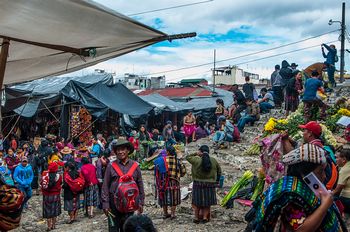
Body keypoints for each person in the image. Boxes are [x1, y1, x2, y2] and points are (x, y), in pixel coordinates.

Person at [253, 143, 346, 231]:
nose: (324, 176)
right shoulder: (291, 196)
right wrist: (325, 206)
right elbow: (301, 229)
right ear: (305, 173)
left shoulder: (302, 186)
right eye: (320, 171)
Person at [102, 140, 145, 232]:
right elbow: (105, 185)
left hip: (130, 203)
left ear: (128, 150)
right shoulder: (111, 166)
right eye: (118, 150)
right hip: (113, 204)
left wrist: (141, 202)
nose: (120, 152)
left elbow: (140, 184)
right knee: (113, 229)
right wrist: (105, 204)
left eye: (123, 149)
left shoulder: (135, 166)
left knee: (128, 229)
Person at [186, 145, 221, 224]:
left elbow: (187, 157)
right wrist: (217, 181)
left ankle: (196, 217)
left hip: (198, 183)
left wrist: (196, 153)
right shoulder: (214, 160)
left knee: (197, 201)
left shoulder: (195, 160)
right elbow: (219, 172)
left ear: (200, 152)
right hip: (210, 184)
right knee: (207, 202)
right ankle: (205, 217)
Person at [154, 146, 186, 219]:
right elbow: (183, 172)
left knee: (164, 197)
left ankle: (165, 213)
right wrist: (178, 175)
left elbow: (157, 170)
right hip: (175, 182)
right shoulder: (177, 161)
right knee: (174, 198)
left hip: (163, 182)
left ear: (168, 152)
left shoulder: (161, 160)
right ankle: (172, 214)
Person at [41, 162, 62, 231]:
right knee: (54, 210)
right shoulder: (59, 176)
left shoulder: (45, 174)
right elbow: (60, 185)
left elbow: (41, 184)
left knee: (48, 210)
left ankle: (49, 226)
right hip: (55, 195)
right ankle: (54, 225)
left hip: (47, 195)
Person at [333, 147, 350, 214]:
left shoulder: (344, 170)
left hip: (347, 198)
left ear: (344, 159)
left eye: (337, 157)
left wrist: (329, 194)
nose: (335, 160)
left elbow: (338, 189)